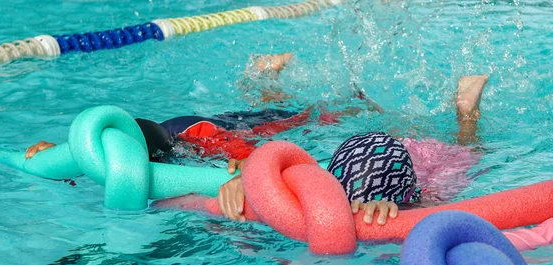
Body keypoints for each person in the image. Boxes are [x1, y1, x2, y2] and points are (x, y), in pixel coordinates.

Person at [217, 74, 489, 224]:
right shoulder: (335, 184)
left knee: (465, 149)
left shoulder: (430, 191)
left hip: (401, 162)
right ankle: (466, 114)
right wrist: (250, 179)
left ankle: (466, 114)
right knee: (465, 145)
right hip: (381, 157)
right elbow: (297, 177)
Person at [25, 53, 383, 162]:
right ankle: (267, 79)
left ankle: (354, 102)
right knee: (264, 112)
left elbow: (247, 156)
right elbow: (94, 151)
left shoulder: (197, 140)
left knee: (304, 118)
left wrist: (240, 168)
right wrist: (57, 153)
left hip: (220, 128)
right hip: (209, 122)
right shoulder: (138, 145)